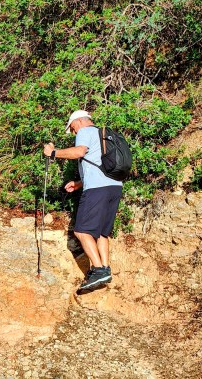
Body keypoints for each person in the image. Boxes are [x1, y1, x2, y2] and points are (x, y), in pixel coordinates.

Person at [43, 110, 123, 292]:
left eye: (72, 128)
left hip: (97, 189)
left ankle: (98, 269)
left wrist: (53, 152)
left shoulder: (85, 132)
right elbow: (100, 165)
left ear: (78, 121)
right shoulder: (103, 134)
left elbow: (79, 152)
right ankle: (106, 267)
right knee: (102, 233)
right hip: (114, 186)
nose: (73, 133)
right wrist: (79, 183)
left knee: (81, 231)